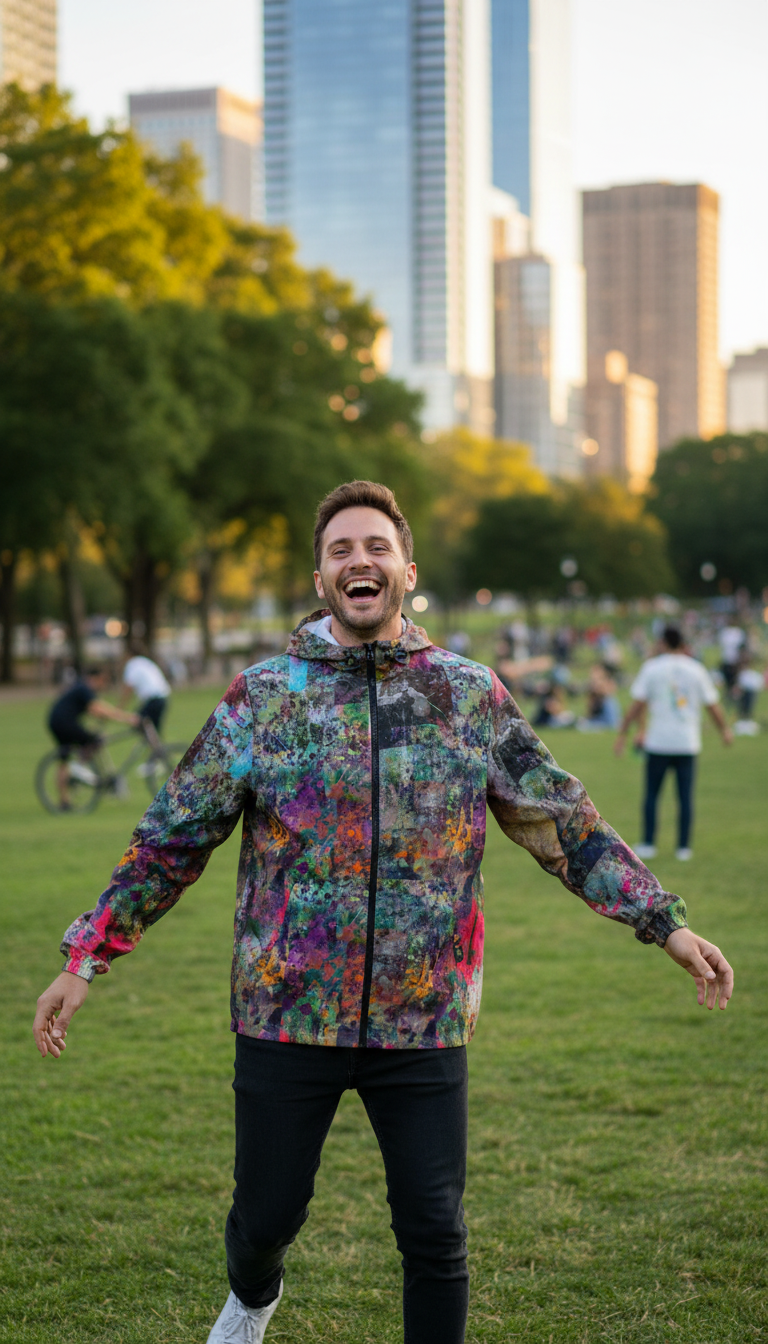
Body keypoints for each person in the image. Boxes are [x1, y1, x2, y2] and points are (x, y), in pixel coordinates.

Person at [34, 483, 733, 1344]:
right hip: (286, 1010)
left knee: (435, 1232)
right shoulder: (263, 698)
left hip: (425, 1014)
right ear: (321, 577)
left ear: (407, 570)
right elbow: (171, 838)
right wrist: (85, 957)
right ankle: (253, 1299)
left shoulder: (468, 695)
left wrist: (665, 922)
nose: (358, 561)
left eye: (375, 547)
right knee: (265, 1220)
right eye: (339, 550)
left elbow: (564, 822)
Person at [615, 626, 732, 861]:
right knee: (685, 796)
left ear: (662, 642)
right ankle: (683, 847)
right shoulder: (696, 669)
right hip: (687, 742)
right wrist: (724, 730)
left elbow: (637, 703)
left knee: (651, 794)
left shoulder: (652, 667)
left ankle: (648, 842)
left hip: (658, 741)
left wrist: (624, 732)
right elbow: (712, 705)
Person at [47, 667, 140, 811]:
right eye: (103, 681)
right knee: (94, 741)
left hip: (57, 722)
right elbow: (98, 709)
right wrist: (126, 718)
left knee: (64, 758)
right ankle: (79, 769)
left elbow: (93, 711)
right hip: (63, 723)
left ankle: (64, 801)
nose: (103, 685)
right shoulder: (84, 688)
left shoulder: (80, 687)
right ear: (96, 678)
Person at [120, 642, 171, 735]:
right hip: (163, 698)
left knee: (138, 722)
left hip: (153, 699)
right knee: (152, 730)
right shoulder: (146, 662)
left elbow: (129, 687)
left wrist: (121, 706)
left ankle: (157, 748)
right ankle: (157, 748)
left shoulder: (132, 664)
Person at [718, 623, 746, 695]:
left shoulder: (738, 632)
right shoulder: (726, 632)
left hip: (735, 661)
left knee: (735, 679)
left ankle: (734, 693)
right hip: (728, 660)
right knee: (728, 679)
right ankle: (730, 693)